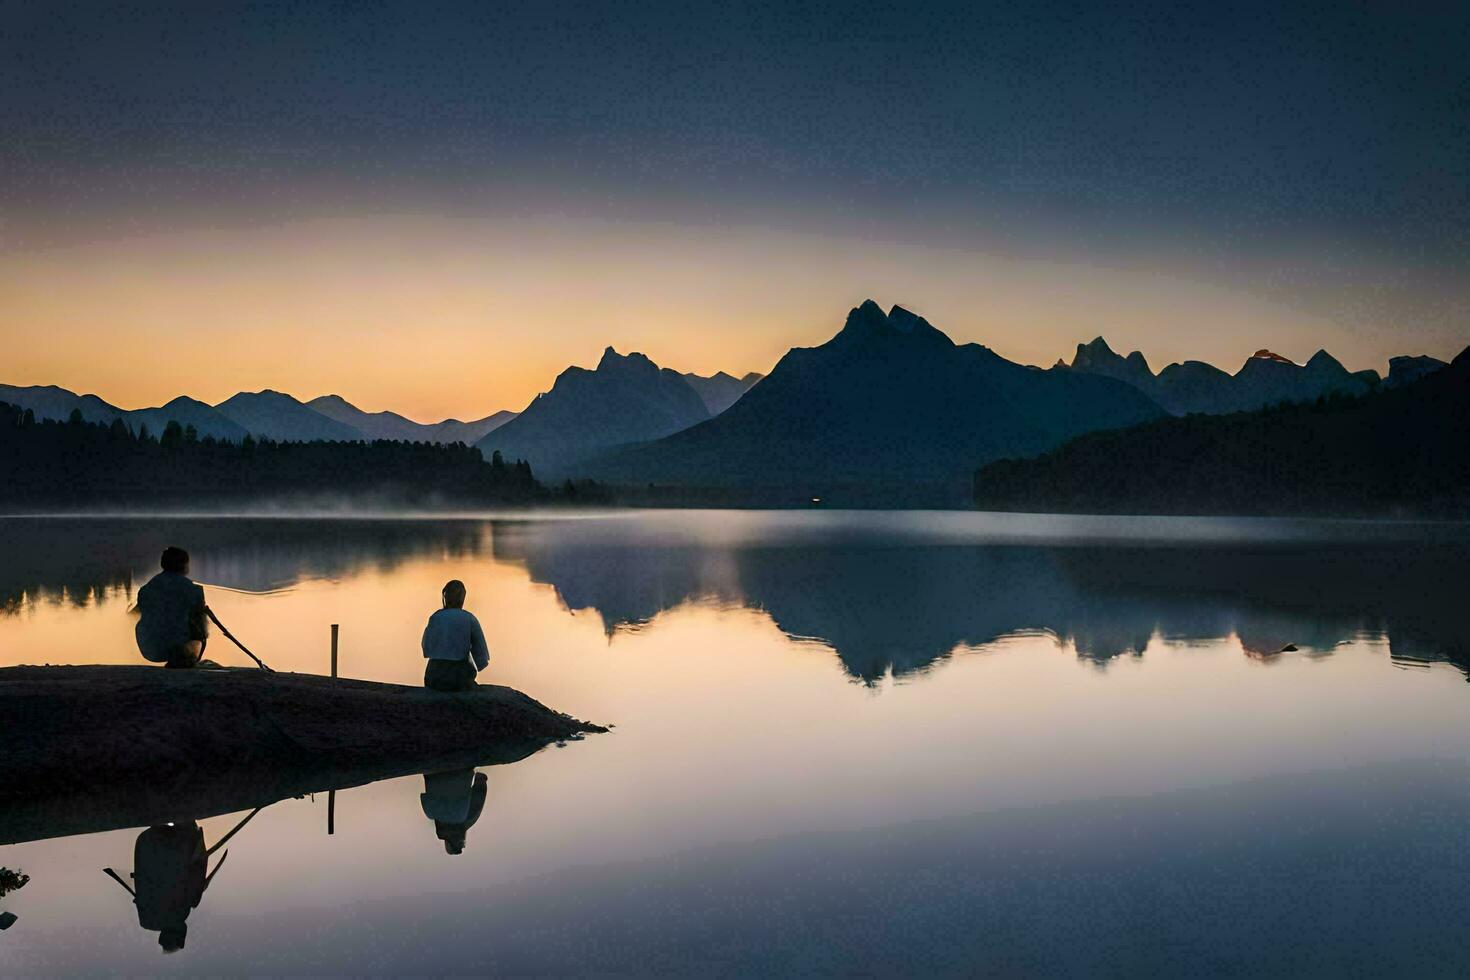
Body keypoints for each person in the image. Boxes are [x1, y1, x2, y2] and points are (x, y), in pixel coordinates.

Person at [135, 547, 209, 668]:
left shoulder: (145, 590)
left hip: (150, 649)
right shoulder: (193, 590)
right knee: (199, 626)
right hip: (178, 648)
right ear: (184, 565)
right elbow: (201, 625)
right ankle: (187, 659)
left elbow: (141, 613)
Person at [421, 579, 490, 692]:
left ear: (445, 597)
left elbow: (426, 647)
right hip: (459, 678)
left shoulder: (435, 617)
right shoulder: (469, 619)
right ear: (462, 598)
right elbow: (480, 653)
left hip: (434, 677)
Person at [420, 768, 489, 855]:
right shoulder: (432, 813)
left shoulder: (468, 818)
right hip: (432, 771)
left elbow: (480, 790)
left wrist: (481, 778)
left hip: (462, 770)